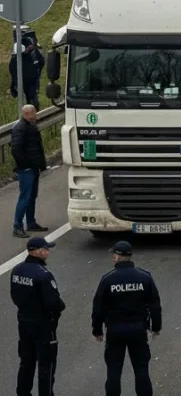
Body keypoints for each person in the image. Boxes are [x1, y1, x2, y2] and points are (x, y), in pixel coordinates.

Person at [91, 241, 162, 396]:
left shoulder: (108, 279)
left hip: (115, 330)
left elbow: (98, 308)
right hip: (138, 329)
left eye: (114, 255)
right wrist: (156, 327)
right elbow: (155, 305)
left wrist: (97, 330)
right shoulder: (144, 277)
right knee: (141, 370)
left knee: (114, 372)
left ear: (117, 256)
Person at [10, 236, 64, 396]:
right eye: (45, 249)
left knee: (26, 362)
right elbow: (53, 303)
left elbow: (14, 296)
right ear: (36, 251)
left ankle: (23, 392)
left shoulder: (17, 270)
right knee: (46, 365)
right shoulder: (43, 275)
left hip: (24, 322)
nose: (47, 251)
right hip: (43, 325)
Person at [10, 104, 49, 238]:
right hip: (26, 169)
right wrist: (26, 165)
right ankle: (17, 226)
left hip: (33, 167)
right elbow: (16, 149)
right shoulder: (21, 128)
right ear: (27, 114)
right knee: (25, 197)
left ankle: (31, 222)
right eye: (34, 113)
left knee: (32, 196)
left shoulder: (30, 126)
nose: (36, 115)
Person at [8, 36, 43, 109]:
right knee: (31, 100)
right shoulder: (25, 59)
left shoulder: (14, 60)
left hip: (26, 84)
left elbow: (12, 73)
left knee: (30, 100)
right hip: (27, 84)